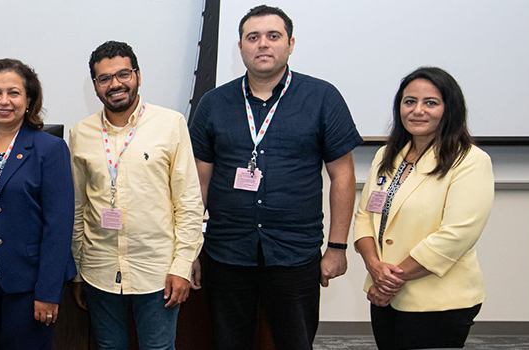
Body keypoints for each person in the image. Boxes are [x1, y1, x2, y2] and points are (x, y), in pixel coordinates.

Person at [188, 5, 363, 349]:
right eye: (253, 38)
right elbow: (198, 182)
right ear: (240, 47)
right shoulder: (214, 103)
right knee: (228, 342)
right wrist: (190, 249)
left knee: (295, 343)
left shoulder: (322, 98)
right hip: (227, 252)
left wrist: (337, 248)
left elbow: (343, 176)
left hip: (295, 254)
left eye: (273, 36)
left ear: (291, 44)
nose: (263, 44)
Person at [69, 41, 204, 350]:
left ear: (138, 76)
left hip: (157, 272)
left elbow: (188, 202)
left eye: (123, 74)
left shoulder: (170, 124)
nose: (115, 84)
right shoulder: (81, 133)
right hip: (98, 269)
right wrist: (77, 271)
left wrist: (181, 266)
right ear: (95, 86)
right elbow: (78, 207)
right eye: (104, 78)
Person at [353, 67, 492, 350]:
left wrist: (391, 279)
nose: (417, 111)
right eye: (409, 101)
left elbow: (455, 235)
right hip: (385, 295)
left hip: (438, 302)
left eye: (430, 103)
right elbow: (365, 216)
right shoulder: (387, 154)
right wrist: (375, 268)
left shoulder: (470, 161)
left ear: (449, 109)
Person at [0, 58, 75, 350]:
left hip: (28, 284)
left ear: (29, 99)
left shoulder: (50, 149)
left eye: (14, 92)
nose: (3, 101)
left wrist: (48, 292)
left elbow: (58, 226)